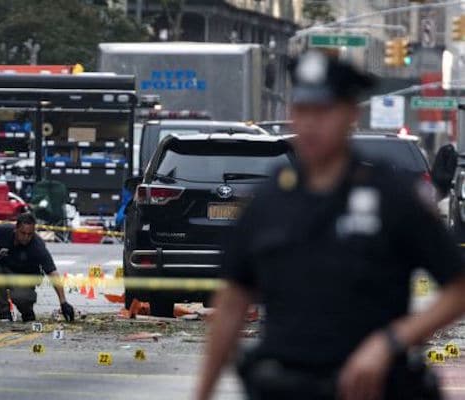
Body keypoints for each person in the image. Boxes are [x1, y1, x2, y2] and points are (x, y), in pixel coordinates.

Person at [196, 51, 465, 400]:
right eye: (302, 111)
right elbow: (232, 303)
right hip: (283, 386)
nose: (310, 124)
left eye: (324, 111)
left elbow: (458, 288)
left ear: (351, 114)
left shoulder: (392, 196)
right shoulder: (269, 200)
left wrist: (392, 342)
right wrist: (202, 393)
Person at [0, 213, 75, 322]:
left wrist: (63, 302)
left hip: (25, 278)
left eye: (30, 234)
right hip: (5, 270)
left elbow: (52, 273)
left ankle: (27, 312)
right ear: (16, 229)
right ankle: (4, 313)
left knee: (21, 298)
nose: (26, 237)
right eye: (23, 233)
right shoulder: (2, 231)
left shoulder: (37, 246)